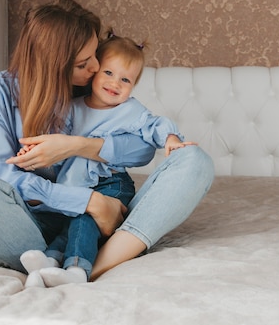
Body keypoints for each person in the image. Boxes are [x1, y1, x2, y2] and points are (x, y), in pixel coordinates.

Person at [0, 0, 214, 286]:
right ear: (54, 65)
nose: (97, 68)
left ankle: (93, 264)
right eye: (84, 63)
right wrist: (89, 202)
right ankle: (63, 259)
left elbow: (142, 150)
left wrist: (75, 145)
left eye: (95, 56)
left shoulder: (90, 87)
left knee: (194, 161)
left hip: (106, 223)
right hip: (33, 223)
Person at [18, 29, 199, 287]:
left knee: (84, 218)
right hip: (76, 183)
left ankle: (77, 271)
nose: (115, 84)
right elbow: (55, 140)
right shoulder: (73, 107)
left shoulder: (130, 110)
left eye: (125, 80)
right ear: (94, 71)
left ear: (133, 86)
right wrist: (33, 153)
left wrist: (171, 140)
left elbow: (154, 125)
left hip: (111, 183)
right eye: (109, 73)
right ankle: (51, 261)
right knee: (70, 220)